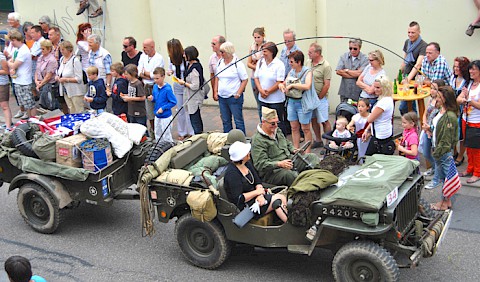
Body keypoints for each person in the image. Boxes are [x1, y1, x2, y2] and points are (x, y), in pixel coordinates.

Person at [251, 107, 320, 187]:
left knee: (312, 157)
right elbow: (260, 164)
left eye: (277, 122)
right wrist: (279, 164)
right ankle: (304, 191)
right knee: (291, 175)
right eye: (272, 123)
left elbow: (286, 143)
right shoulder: (257, 140)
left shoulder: (277, 131)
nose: (276, 125)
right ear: (263, 122)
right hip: (273, 171)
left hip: (289, 160)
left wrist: (293, 149)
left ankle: (318, 181)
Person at [224, 141, 288, 223]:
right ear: (242, 157)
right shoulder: (232, 174)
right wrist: (257, 192)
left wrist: (260, 195)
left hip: (257, 197)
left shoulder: (247, 164)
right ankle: (288, 225)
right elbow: (239, 198)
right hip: (246, 206)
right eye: (247, 152)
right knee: (278, 200)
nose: (249, 153)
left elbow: (257, 181)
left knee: (281, 197)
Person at [278, 50, 314, 152]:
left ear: (299, 62)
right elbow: (284, 83)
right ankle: (296, 149)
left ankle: (307, 152)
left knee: (305, 128)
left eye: (292, 62)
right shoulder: (291, 71)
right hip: (291, 102)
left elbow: (307, 86)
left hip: (303, 103)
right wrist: (281, 85)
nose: (290, 64)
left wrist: (293, 85)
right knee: (294, 127)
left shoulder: (307, 72)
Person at [430, 86, 460, 211]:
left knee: (446, 177)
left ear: (446, 99)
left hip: (443, 151)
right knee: (444, 177)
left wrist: (437, 153)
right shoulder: (441, 111)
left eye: (439, 97)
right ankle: (446, 201)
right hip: (439, 148)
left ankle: (443, 203)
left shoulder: (449, 117)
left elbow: (446, 140)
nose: (436, 99)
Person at [214, 41, 248, 134]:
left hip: (233, 97)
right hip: (222, 97)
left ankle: (241, 140)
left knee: (238, 121)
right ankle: (227, 139)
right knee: (225, 121)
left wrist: (238, 93)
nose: (221, 54)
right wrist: (215, 91)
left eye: (223, 52)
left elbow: (244, 79)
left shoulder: (238, 63)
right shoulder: (220, 62)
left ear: (228, 52)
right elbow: (217, 77)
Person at [254, 42, 287, 135]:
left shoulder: (279, 64)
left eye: (265, 51)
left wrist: (268, 91)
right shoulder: (260, 62)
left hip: (276, 100)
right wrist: (260, 90)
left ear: (271, 52)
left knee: (278, 122)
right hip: (263, 98)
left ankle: (281, 141)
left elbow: (279, 81)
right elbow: (256, 77)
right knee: (265, 121)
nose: (263, 53)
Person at [457, 60, 480, 184]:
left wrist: (469, 101)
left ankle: (477, 172)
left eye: (474, 69)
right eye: (470, 69)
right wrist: (463, 99)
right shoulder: (470, 84)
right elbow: (459, 98)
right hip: (466, 119)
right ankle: (469, 168)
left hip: (477, 122)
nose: (471, 71)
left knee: (476, 149)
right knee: (468, 146)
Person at [166, 38, 194, 140]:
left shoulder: (185, 57)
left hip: (186, 84)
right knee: (180, 109)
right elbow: (170, 68)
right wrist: (169, 72)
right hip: (177, 85)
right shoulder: (171, 58)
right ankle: (182, 132)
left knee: (188, 109)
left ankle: (191, 131)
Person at [362, 76, 395, 156]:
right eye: (374, 87)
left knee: (369, 159)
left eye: (378, 87)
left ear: (384, 88)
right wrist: (367, 130)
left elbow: (370, 119)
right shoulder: (387, 99)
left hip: (381, 135)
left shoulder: (383, 102)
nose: (375, 89)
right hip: (381, 132)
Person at [308, 42, 332, 149]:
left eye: (310, 52)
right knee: (313, 119)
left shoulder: (326, 66)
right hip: (310, 97)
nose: (308, 54)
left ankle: (329, 142)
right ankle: (318, 140)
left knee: (324, 120)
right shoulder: (308, 62)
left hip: (320, 98)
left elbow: (326, 85)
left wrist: (319, 97)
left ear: (317, 53)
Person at [176, 46, 205, 134]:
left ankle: (198, 136)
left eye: (185, 54)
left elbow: (195, 86)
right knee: (193, 117)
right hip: (189, 96)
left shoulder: (195, 68)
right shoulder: (189, 65)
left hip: (194, 97)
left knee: (195, 119)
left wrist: (184, 83)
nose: (184, 56)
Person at [138, 38, 165, 133]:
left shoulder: (159, 58)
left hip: (155, 86)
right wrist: (148, 74)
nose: (143, 49)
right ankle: (153, 131)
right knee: (150, 112)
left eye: (145, 47)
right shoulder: (142, 56)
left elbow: (155, 75)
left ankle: (161, 131)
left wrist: (146, 73)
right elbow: (139, 71)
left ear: (152, 47)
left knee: (159, 109)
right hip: (146, 87)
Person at [7, 30, 36, 118]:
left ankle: (33, 120)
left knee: (29, 103)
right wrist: (11, 64)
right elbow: (12, 59)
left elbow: (14, 64)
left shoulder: (24, 50)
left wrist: (9, 63)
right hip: (17, 79)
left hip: (24, 81)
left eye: (13, 40)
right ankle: (29, 119)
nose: (12, 43)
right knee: (23, 102)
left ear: (19, 40)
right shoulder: (16, 49)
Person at [422, 80, 445, 189]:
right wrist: (424, 123)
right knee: (426, 153)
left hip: (434, 131)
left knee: (436, 155)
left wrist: (429, 128)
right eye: (431, 87)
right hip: (427, 129)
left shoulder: (442, 104)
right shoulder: (430, 99)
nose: (431, 90)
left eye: (434, 88)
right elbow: (425, 113)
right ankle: (434, 168)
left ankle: (436, 178)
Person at [450, 56, 470, 167]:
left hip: (461, 112)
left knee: (461, 135)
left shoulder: (467, 82)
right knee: (452, 133)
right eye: (455, 66)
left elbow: (460, 99)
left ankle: (460, 156)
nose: (456, 69)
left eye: (458, 67)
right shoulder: (453, 78)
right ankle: (454, 152)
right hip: (452, 110)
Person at [56, 40, 86, 114]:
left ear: (69, 50)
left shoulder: (75, 61)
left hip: (75, 90)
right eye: (60, 50)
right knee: (71, 109)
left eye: (63, 49)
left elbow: (79, 78)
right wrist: (57, 77)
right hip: (65, 90)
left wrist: (66, 79)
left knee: (78, 110)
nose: (61, 51)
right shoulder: (61, 59)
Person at [148, 67, 177, 142]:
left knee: (166, 136)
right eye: (154, 78)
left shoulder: (167, 89)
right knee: (158, 134)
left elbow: (173, 102)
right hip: (157, 115)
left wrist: (163, 108)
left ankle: (169, 149)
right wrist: (152, 99)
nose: (155, 80)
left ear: (163, 76)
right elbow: (156, 99)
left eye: (157, 78)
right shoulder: (155, 87)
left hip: (166, 117)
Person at [247, 27, 266, 119]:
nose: (256, 39)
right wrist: (256, 66)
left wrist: (256, 64)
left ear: (263, 36)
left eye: (258, 37)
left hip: (263, 77)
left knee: (264, 101)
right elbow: (249, 63)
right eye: (255, 37)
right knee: (258, 101)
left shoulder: (267, 46)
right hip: (254, 76)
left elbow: (265, 62)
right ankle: (261, 121)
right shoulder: (252, 46)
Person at [35, 40, 59, 110]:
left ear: (49, 49)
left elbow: (48, 76)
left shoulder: (52, 60)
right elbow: (37, 70)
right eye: (41, 49)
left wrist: (40, 84)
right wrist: (36, 80)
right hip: (40, 83)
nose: (41, 50)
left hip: (48, 84)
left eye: (43, 49)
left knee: (50, 103)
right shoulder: (40, 58)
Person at [0, 52, 12, 131]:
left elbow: (6, 71)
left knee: (4, 105)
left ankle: (8, 126)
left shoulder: (1, 57)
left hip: (2, 84)